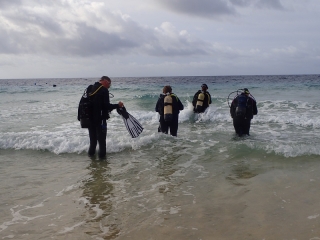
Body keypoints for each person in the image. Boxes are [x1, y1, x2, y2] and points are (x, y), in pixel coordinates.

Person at [86, 76, 123, 159]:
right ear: (105, 81)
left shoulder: (90, 88)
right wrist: (118, 105)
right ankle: (102, 165)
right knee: (102, 142)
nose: (109, 86)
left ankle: (92, 162)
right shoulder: (104, 90)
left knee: (93, 141)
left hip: (89, 119)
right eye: (109, 84)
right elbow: (106, 106)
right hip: (100, 120)